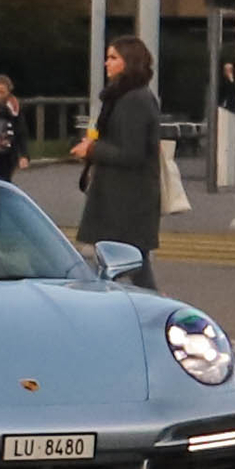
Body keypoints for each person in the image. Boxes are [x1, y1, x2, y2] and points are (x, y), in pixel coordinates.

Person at [72, 37, 160, 289]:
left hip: (128, 200)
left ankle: (150, 312)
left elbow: (132, 153)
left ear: (129, 62)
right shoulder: (122, 97)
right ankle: (138, 308)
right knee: (122, 261)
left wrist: (92, 149)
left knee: (130, 262)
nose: (106, 63)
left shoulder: (135, 100)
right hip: (120, 198)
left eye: (113, 58)